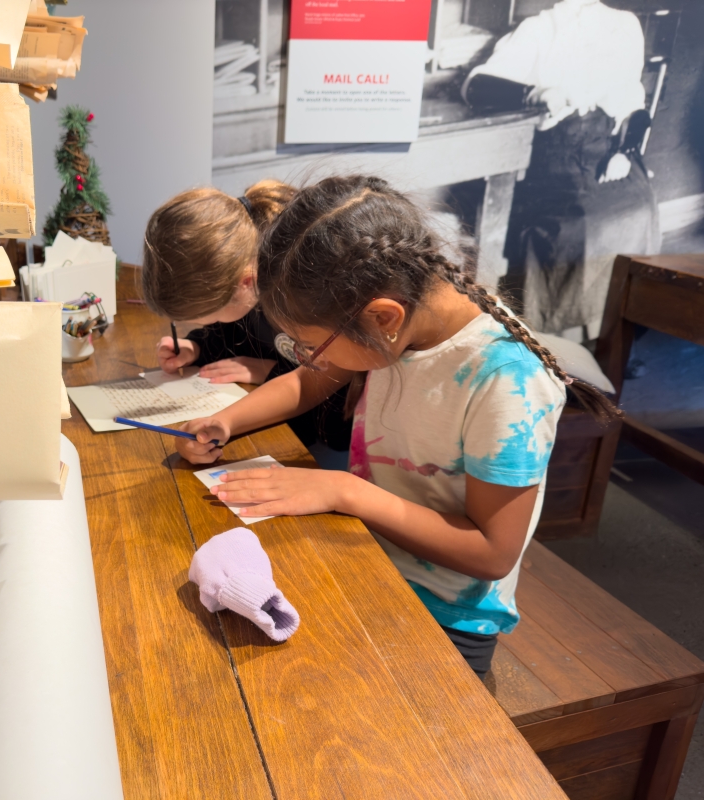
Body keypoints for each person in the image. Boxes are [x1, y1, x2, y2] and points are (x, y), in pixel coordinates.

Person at [175, 176, 620, 679]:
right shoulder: (393, 326)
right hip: (371, 555)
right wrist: (226, 421)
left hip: (447, 617)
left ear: (382, 317)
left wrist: (344, 490)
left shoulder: (506, 381)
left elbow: (493, 552)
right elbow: (309, 382)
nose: (307, 358)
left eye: (310, 345)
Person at [463, 0, 659, 341]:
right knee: (576, 226)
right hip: (554, 154)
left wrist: (625, 152)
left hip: (608, 147)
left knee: (641, 209)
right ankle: (558, 341)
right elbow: (476, 85)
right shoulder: (540, 27)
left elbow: (634, 103)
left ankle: (612, 337)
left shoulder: (625, 25)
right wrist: (536, 92)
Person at [141, 180, 353, 466]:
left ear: (246, 283)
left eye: (213, 314)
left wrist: (271, 370)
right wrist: (197, 347)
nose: (214, 322)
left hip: (333, 441)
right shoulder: (251, 285)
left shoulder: (308, 299)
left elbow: (330, 387)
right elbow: (227, 333)